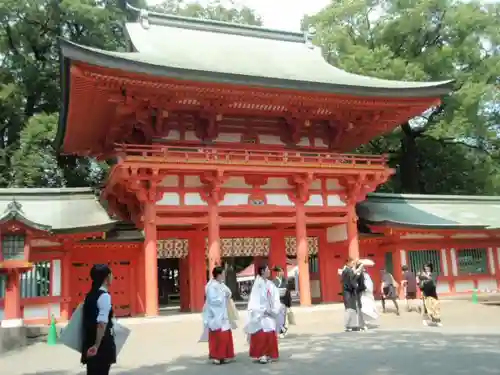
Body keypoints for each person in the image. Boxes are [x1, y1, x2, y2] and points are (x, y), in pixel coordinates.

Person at [81, 264, 116, 375]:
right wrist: (96, 345)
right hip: (101, 345)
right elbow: (101, 323)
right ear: (106, 278)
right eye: (111, 274)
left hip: (88, 342)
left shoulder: (89, 295)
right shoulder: (104, 296)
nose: (113, 277)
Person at [245, 264, 281, 364]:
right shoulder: (257, 285)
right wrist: (262, 310)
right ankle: (262, 354)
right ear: (262, 272)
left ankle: (269, 353)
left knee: (270, 333)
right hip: (260, 313)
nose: (269, 271)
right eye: (267, 269)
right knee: (261, 334)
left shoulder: (270, 284)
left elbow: (275, 297)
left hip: (269, 313)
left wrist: (274, 309)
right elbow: (255, 300)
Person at [202, 266, 235, 365]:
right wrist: (222, 296)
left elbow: (229, 293)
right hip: (215, 314)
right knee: (217, 336)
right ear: (219, 275)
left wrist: (226, 294)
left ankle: (224, 355)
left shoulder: (221, 284)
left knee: (225, 335)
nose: (224, 275)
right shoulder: (211, 286)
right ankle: (217, 356)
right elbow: (212, 300)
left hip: (223, 313)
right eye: (223, 274)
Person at [341, 258, 365, 331]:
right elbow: (352, 281)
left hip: (347, 292)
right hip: (349, 292)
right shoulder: (348, 270)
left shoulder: (346, 270)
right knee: (350, 309)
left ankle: (351, 325)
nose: (353, 264)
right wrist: (356, 285)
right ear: (348, 263)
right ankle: (349, 326)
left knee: (351, 309)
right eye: (352, 263)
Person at [272, 266, 292, 338]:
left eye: (282, 271)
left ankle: (281, 331)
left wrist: (289, 304)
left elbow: (288, 293)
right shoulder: (273, 282)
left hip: (283, 301)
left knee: (283, 317)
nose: (282, 273)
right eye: (280, 271)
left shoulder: (285, 281)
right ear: (277, 273)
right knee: (277, 317)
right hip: (276, 302)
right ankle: (278, 331)